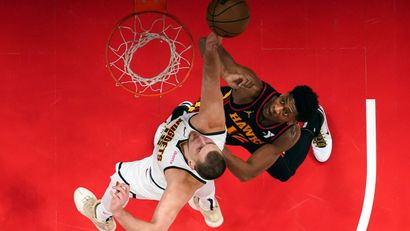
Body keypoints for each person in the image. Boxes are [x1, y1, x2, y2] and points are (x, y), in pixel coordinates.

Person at [73, 33, 243, 230]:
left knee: (118, 181)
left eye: (199, 148)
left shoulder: (179, 183)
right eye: (209, 143)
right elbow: (211, 77)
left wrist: (119, 211)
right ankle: (209, 208)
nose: (200, 139)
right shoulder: (211, 125)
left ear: (190, 163)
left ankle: (101, 216)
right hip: (195, 166)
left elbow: (155, 229)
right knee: (185, 114)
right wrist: (213, 46)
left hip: (156, 179)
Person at [174, 37, 332, 182]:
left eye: (285, 112)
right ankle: (186, 109)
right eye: (282, 100)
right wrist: (225, 72)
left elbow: (246, 173)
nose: (276, 108)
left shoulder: (287, 135)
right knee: (179, 133)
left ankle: (315, 121)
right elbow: (205, 43)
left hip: (248, 138)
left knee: (284, 172)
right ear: (285, 93)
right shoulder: (252, 89)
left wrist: (216, 146)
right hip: (216, 114)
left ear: (292, 121)